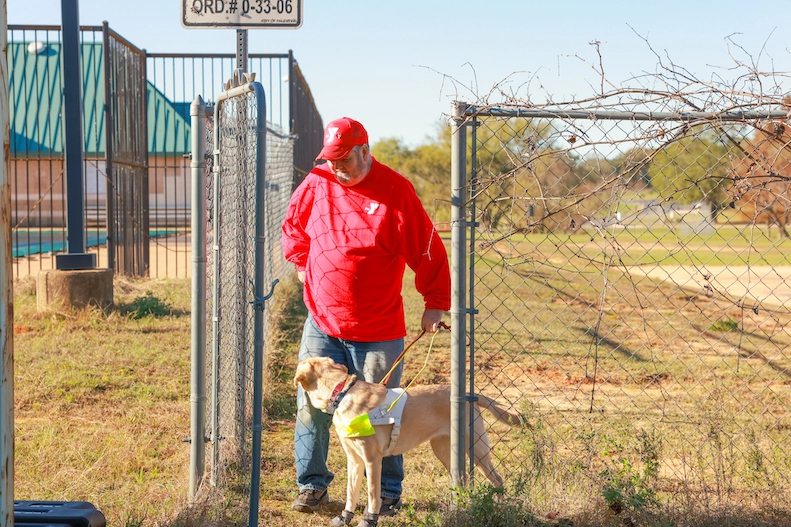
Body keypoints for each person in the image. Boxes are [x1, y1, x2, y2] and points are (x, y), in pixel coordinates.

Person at [281, 117, 451, 517]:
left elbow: (427, 248)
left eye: (344, 159)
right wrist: (300, 261)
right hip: (323, 321)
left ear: (364, 150)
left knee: (384, 413)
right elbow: (293, 226)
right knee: (310, 406)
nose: (337, 167)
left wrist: (435, 301)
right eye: (331, 159)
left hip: (376, 329)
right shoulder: (319, 181)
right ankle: (312, 484)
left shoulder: (396, 191)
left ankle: (387, 492)